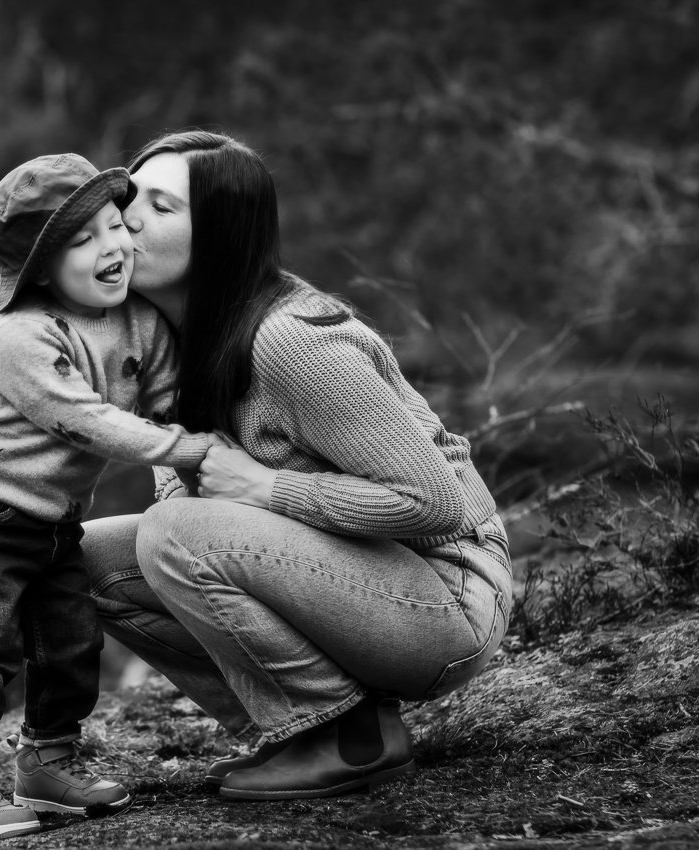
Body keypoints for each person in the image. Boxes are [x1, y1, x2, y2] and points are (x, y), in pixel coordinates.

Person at [82, 130, 513, 800]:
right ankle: (299, 727)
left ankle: (350, 737)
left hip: (447, 595)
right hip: (346, 586)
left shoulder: (289, 343)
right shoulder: (166, 342)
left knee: (175, 536)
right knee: (91, 562)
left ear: (222, 237)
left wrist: (264, 488)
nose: (129, 218)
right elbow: (182, 490)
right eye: (129, 198)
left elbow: (434, 503)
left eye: (163, 208)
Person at [0, 153, 216, 841]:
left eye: (115, 226)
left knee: (71, 641)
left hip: (52, 515)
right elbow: (81, 418)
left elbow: (171, 400)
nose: (112, 246)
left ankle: (47, 766)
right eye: (82, 241)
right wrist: (178, 450)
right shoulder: (18, 338)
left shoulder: (139, 321)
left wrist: (203, 460)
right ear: (43, 270)